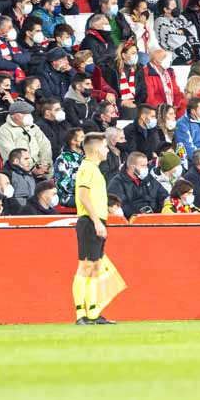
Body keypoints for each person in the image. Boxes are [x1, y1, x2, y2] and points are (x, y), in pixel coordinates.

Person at [73, 133, 114, 324]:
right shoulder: (88, 168)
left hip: (95, 220)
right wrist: (96, 221)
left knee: (94, 268)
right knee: (86, 267)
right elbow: (83, 196)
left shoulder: (93, 169)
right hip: (90, 221)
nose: (107, 150)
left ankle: (92, 312)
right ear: (97, 149)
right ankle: (80, 314)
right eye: (105, 147)